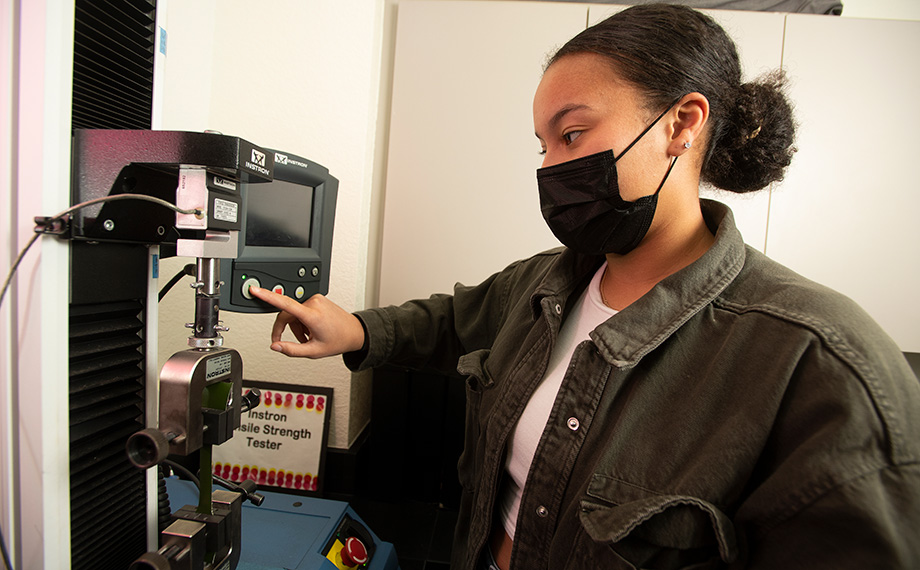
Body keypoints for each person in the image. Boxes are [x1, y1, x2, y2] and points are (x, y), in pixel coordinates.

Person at [250, 4, 920, 569]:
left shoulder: (820, 362)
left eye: (572, 133)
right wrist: (358, 329)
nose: (549, 168)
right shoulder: (544, 282)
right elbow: (452, 320)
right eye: (542, 145)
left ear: (681, 125)